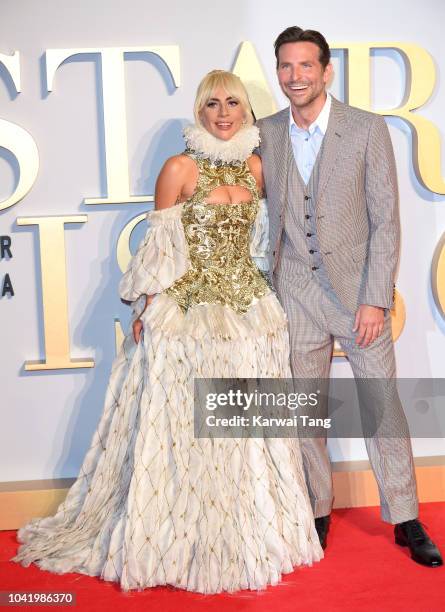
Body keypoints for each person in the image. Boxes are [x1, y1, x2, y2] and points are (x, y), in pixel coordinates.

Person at [13, 70, 323, 593]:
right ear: (199, 112)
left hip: (250, 317)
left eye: (231, 103)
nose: (222, 113)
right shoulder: (179, 167)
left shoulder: (258, 168)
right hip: (191, 318)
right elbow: (161, 248)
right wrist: (148, 300)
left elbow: (268, 245)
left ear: (245, 110)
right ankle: (182, 540)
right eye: (212, 105)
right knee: (187, 430)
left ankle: (246, 531)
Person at [256, 26, 442, 567]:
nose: (295, 77)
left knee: (382, 405)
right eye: (286, 67)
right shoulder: (264, 132)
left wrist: (375, 298)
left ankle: (406, 516)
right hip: (293, 287)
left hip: (357, 292)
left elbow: (386, 219)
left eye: (305, 66)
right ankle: (316, 509)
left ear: (326, 70)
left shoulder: (365, 128)